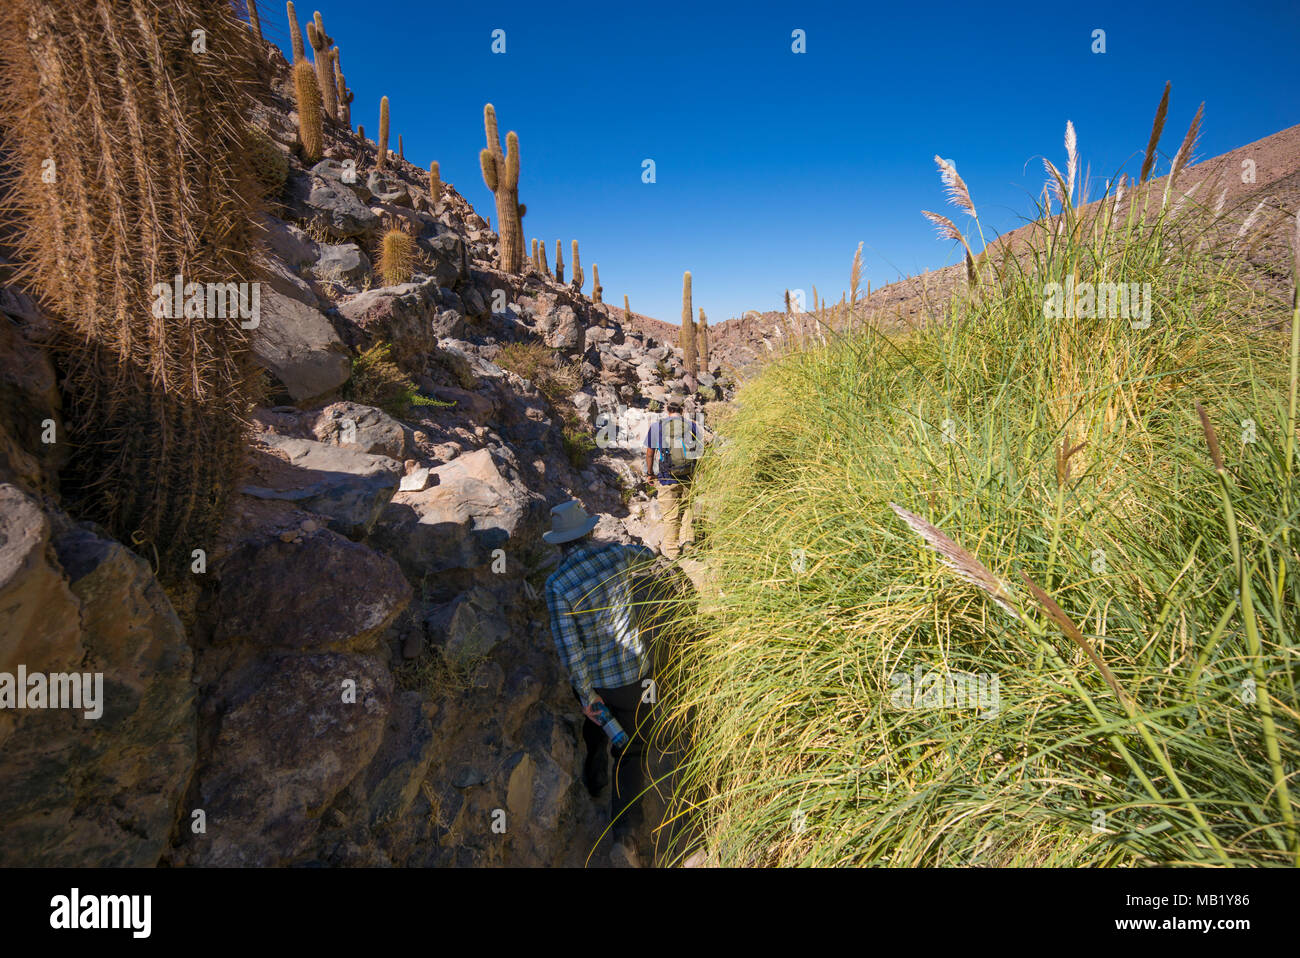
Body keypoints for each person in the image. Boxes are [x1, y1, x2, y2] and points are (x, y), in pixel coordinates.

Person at [543, 499, 658, 864]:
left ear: (558, 543)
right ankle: (624, 838)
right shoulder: (615, 557)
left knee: (594, 729)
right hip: (634, 675)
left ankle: (594, 781)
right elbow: (648, 555)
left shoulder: (556, 584)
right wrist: (618, 548)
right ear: (589, 531)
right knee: (633, 751)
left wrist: (586, 693)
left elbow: (569, 648)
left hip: (596, 683)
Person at [643, 393, 707, 559]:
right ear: (683, 410)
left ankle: (672, 553)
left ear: (666, 408)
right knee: (687, 511)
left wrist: (650, 473)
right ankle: (688, 543)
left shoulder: (657, 426)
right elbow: (700, 451)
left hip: (666, 477)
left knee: (670, 515)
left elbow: (650, 453)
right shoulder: (691, 426)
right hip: (687, 475)